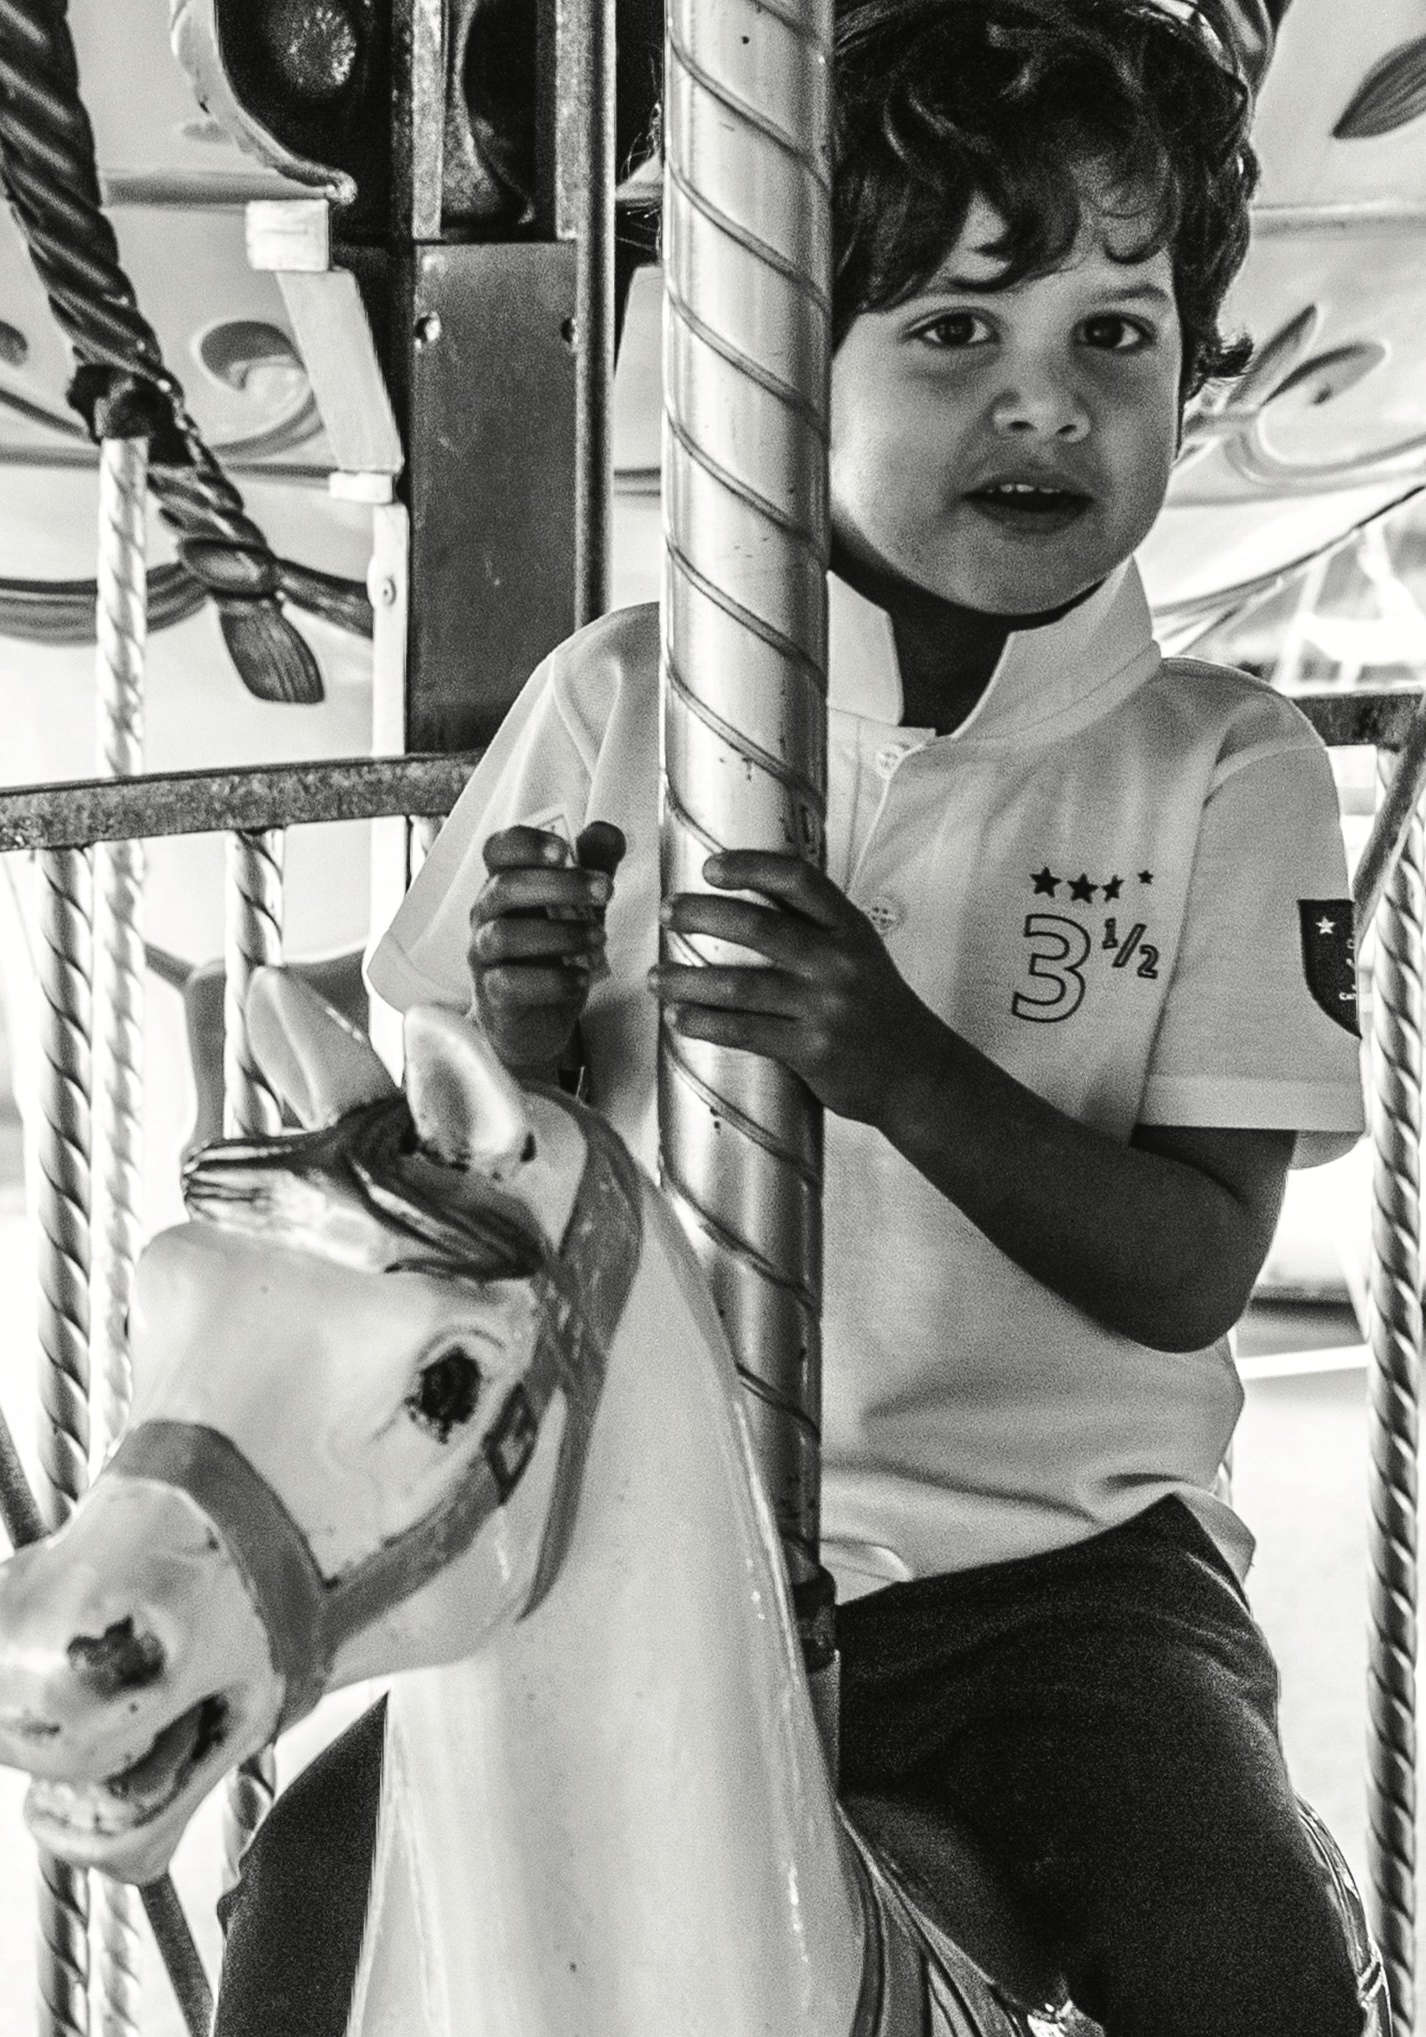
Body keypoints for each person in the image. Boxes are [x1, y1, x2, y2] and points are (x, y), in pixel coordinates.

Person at [217, 3, 1368, 2033]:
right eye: (954, 330)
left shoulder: (1221, 762)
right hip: (652, 1532)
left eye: (1115, 334)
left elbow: (1191, 1265)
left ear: (1193, 368)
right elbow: (461, 1192)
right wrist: (522, 1047)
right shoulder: (620, 700)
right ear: (783, 370)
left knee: (1246, 1947)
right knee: (319, 1881)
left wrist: (894, 1061)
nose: (1045, 401)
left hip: (1062, 1583)